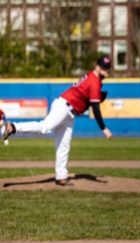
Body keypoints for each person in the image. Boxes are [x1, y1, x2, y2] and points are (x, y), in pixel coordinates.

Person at [1, 55, 113, 186]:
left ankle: (61, 176)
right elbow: (95, 108)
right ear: (97, 66)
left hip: (70, 112)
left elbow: (85, 97)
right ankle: (13, 127)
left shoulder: (93, 77)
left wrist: (93, 98)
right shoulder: (94, 81)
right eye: (104, 67)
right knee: (45, 127)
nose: (106, 70)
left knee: (64, 145)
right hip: (64, 107)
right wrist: (103, 128)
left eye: (107, 68)